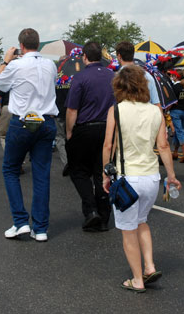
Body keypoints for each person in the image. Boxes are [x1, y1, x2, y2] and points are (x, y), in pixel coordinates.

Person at [101, 66, 181, 293]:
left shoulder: (116, 111)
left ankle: (137, 279)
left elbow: (109, 145)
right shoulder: (155, 111)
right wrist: (172, 176)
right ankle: (149, 266)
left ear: (119, 86)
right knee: (142, 222)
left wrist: (105, 174)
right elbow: (163, 146)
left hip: (127, 179)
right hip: (151, 178)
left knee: (128, 230)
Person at [0, 28, 58, 242]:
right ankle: (40, 228)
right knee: (41, 174)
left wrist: (5, 61)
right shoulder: (50, 65)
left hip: (22, 121)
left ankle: (20, 222)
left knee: (10, 169)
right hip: (46, 120)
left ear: (21, 45)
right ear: (38, 45)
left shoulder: (16, 65)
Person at [65, 41, 115, 232]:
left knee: (78, 171)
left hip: (85, 129)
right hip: (107, 128)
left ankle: (91, 209)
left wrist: (70, 132)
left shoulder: (80, 77)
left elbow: (72, 109)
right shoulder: (112, 75)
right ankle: (104, 216)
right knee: (100, 172)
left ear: (84, 56)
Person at [115, 41, 160, 106]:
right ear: (132, 55)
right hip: (146, 114)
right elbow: (156, 103)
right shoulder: (147, 75)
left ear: (119, 56)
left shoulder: (117, 77)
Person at [168, 70, 184, 162]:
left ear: (175, 77)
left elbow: (173, 101)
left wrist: (167, 109)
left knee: (179, 131)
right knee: (178, 131)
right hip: (183, 111)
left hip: (176, 111)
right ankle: (175, 152)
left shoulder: (174, 87)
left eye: (172, 75)